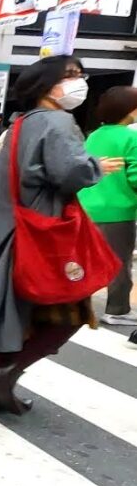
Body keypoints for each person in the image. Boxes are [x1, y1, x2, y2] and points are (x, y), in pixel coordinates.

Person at [0, 55, 121, 415]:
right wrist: (97, 166)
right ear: (47, 84)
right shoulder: (58, 121)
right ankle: (8, 372)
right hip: (43, 235)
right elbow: (68, 173)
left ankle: (1, 390)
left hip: (8, 233)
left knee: (17, 313)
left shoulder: (22, 123)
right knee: (73, 309)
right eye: (71, 76)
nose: (79, 83)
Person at [80, 86, 137, 325]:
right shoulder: (130, 137)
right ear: (129, 110)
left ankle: (77, 304)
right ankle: (118, 309)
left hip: (86, 206)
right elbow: (135, 175)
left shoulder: (94, 135)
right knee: (118, 261)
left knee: (86, 259)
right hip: (117, 210)